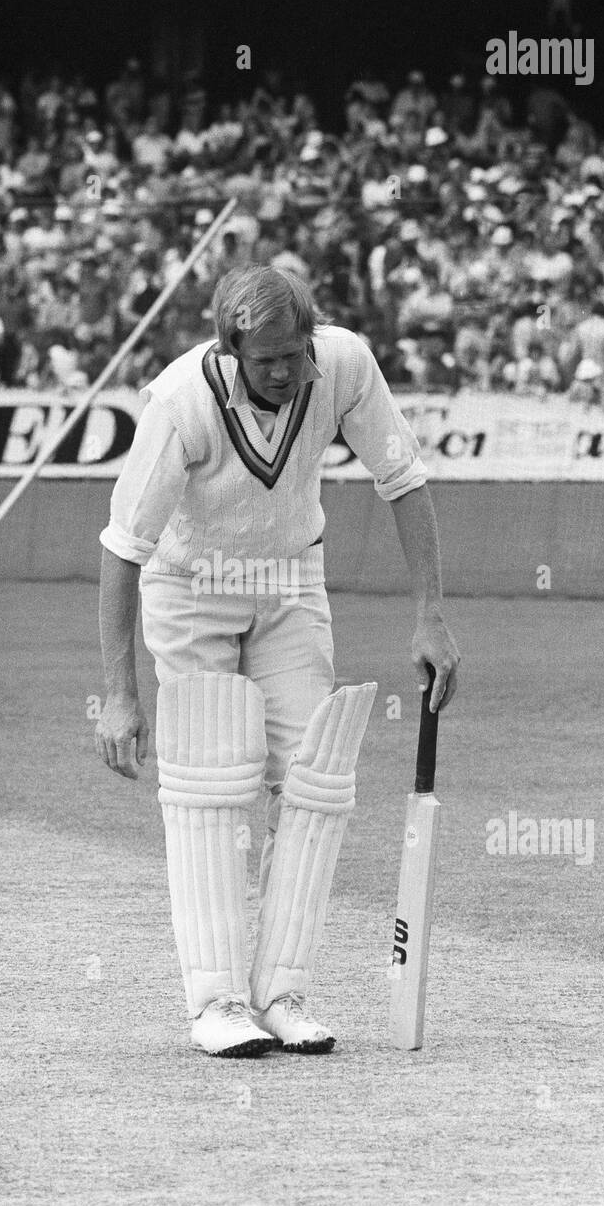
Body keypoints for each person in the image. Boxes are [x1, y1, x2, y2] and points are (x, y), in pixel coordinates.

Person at [95, 265, 459, 1058]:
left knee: (314, 780)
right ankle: (217, 1002)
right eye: (266, 362)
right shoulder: (181, 404)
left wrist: (429, 614)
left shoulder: (343, 365)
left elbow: (403, 480)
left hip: (290, 581)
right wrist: (120, 696)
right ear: (229, 351)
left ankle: (283, 990)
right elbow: (123, 550)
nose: (286, 374)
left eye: (296, 355)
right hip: (191, 588)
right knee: (212, 790)